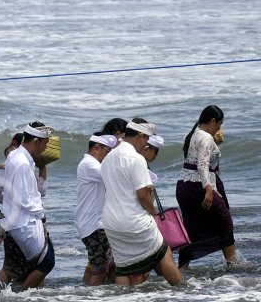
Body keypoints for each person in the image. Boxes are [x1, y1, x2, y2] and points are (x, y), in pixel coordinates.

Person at [101, 120, 182, 286]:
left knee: (124, 266)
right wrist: (153, 212)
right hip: (134, 220)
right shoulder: (136, 159)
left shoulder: (108, 157)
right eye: (146, 140)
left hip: (111, 223)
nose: (145, 145)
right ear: (140, 136)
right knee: (163, 253)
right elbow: (143, 195)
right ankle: (183, 289)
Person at [175, 105, 237, 270]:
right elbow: (202, 165)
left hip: (184, 186)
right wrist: (208, 190)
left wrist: (215, 143)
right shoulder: (206, 138)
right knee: (224, 220)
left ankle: (182, 268)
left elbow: (194, 159)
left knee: (192, 227)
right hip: (199, 186)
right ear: (212, 121)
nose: (219, 128)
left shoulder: (191, 135)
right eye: (219, 124)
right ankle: (232, 264)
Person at [0, 122, 55, 289]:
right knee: (47, 262)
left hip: (13, 220)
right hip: (23, 222)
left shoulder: (16, 157)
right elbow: (23, 199)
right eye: (44, 144)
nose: (45, 148)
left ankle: (26, 296)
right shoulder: (22, 162)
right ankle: (22, 294)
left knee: (25, 265)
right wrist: (41, 212)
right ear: (36, 142)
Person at [75, 134, 117, 286]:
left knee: (111, 267)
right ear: (97, 148)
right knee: (100, 270)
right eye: (108, 151)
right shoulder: (89, 164)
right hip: (94, 226)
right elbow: (114, 175)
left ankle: (109, 300)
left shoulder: (92, 164)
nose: (109, 156)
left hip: (97, 224)